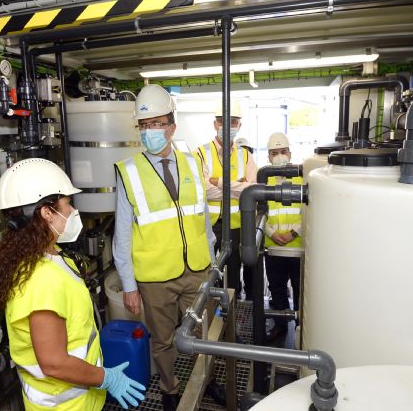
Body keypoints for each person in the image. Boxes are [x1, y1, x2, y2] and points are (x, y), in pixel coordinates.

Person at [0, 158, 145, 410]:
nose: (73, 211)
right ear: (46, 213)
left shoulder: (49, 258)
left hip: (82, 397)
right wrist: (106, 378)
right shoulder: (41, 280)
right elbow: (54, 362)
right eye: (67, 204)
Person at [113, 84, 220, 410]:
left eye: (156, 124)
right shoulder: (128, 172)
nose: (150, 132)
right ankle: (170, 389)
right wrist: (129, 285)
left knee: (205, 335)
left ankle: (210, 379)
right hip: (155, 277)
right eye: (144, 126)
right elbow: (122, 235)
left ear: (171, 127)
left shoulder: (191, 164)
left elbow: (202, 219)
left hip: (196, 269)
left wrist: (213, 263)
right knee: (162, 341)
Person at [197, 103, 257, 301]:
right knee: (206, 275)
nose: (228, 126)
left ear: (239, 126)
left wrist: (218, 181)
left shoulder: (246, 155)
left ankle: (232, 320)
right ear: (215, 124)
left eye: (233, 122)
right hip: (207, 226)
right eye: (223, 121)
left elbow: (250, 191)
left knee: (232, 277)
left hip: (235, 226)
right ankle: (209, 317)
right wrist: (235, 187)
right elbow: (202, 189)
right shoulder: (200, 153)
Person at [263, 132, 304, 343]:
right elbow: (257, 212)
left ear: (290, 153)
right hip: (273, 248)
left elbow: (310, 211)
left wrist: (293, 232)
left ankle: (300, 328)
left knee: (300, 291)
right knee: (276, 289)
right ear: (268, 157)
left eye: (283, 152)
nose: (280, 156)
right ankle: (280, 326)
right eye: (274, 153)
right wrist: (271, 234)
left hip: (298, 248)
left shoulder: (302, 178)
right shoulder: (264, 179)